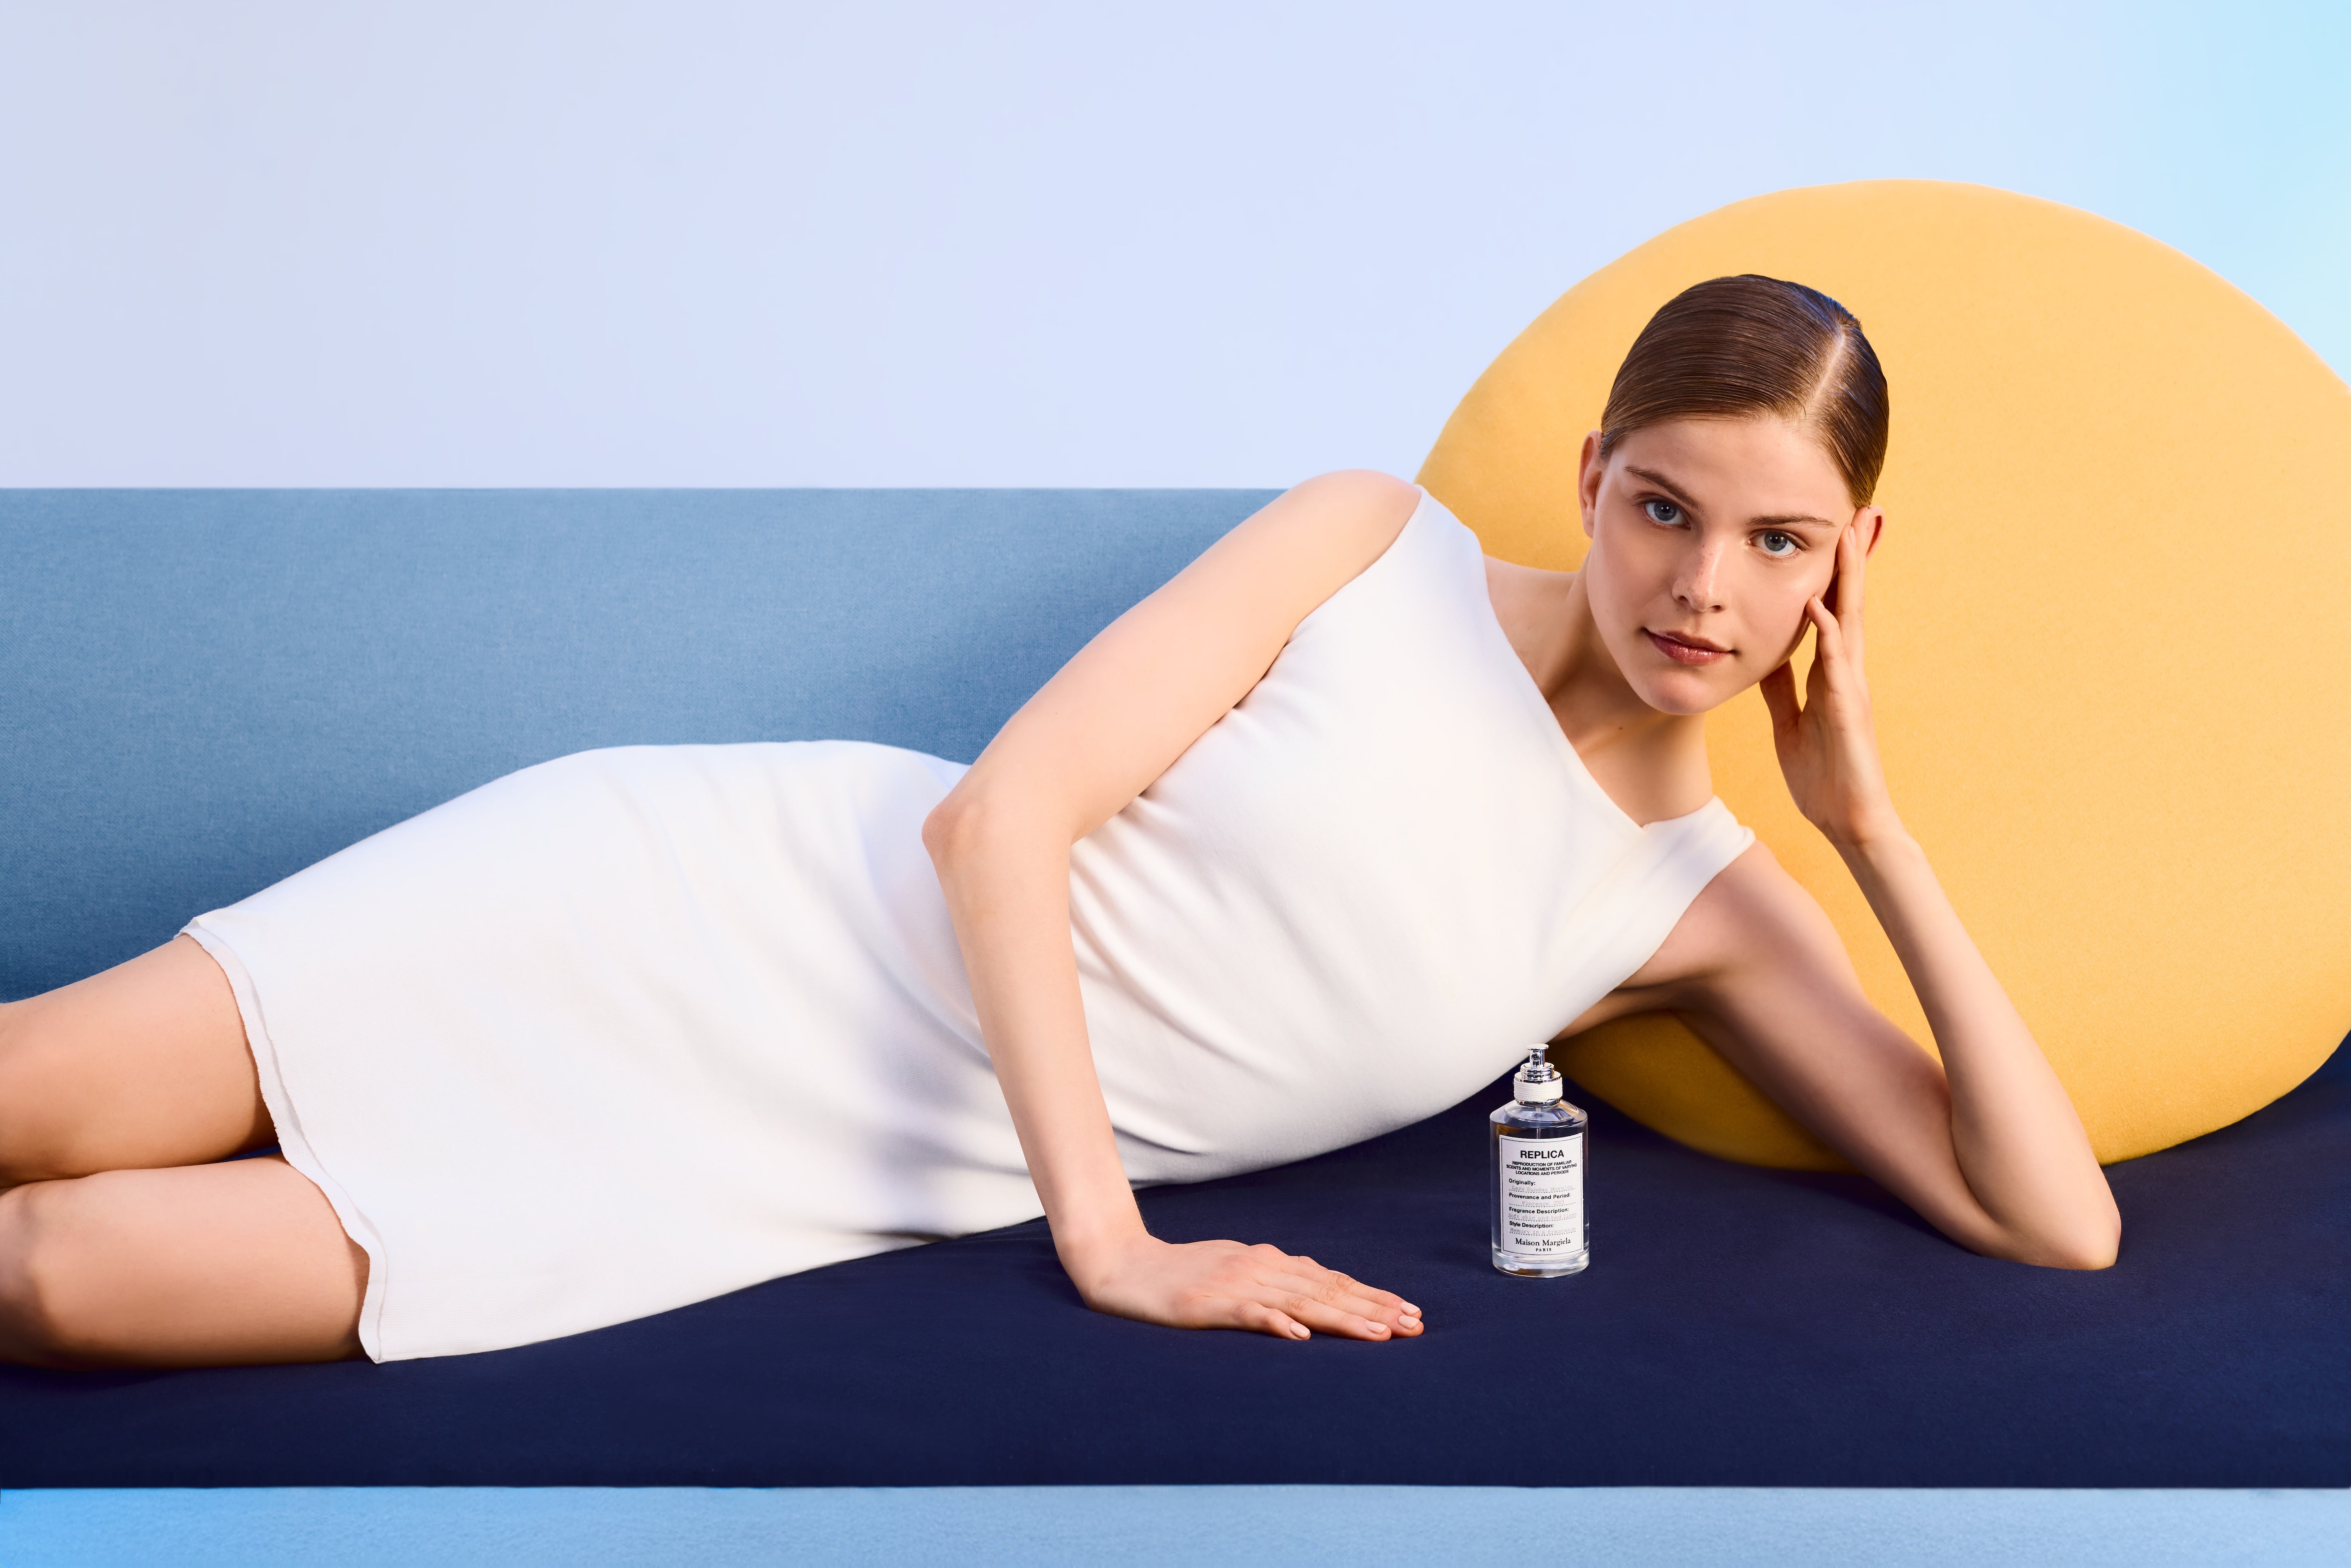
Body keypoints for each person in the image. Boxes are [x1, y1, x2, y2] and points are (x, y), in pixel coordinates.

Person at [0, 275, 2120, 1369]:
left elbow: (2054, 1221)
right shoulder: (1367, 549)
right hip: (709, 905)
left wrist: (1869, 827)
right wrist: (1114, 1244)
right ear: (1592, 469)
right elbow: (997, 818)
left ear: (1849, 563)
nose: (1705, 591)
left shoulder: (1702, 908)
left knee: (67, 1280)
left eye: (1778, 542)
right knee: (41, 1089)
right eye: (1667, 506)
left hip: (806, 1160)